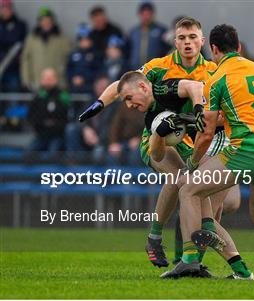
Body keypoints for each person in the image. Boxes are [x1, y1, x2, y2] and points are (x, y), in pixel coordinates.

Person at [78, 17, 240, 269]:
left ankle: (189, 260)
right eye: (182, 38)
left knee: (226, 204)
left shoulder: (213, 71)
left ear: (202, 41)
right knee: (181, 183)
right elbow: (123, 83)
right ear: (175, 41)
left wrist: (207, 121)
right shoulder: (158, 67)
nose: (187, 43)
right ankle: (159, 240)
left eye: (192, 37)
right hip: (159, 138)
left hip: (197, 143)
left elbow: (223, 113)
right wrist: (100, 103)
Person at [163, 23, 254, 281]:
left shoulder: (216, 78)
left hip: (247, 148)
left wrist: (192, 165)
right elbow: (242, 112)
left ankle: (189, 260)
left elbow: (206, 133)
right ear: (238, 47)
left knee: (188, 190)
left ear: (212, 49)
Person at [20, 7, 70, 91]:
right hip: (36, 82)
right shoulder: (31, 39)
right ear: (39, 22)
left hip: (57, 84)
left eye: (48, 20)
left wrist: (63, 80)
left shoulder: (62, 39)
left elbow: (68, 60)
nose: (46, 23)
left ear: (53, 21)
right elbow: (25, 60)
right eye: (43, 20)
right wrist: (26, 80)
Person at [27, 68, 70, 156]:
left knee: (53, 154)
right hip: (41, 135)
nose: (48, 82)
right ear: (41, 80)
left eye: (50, 79)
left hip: (58, 135)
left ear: (56, 80)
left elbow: (66, 117)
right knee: (28, 154)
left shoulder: (63, 96)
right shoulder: (38, 97)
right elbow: (31, 116)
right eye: (45, 79)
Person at [127, 1, 168, 70]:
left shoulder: (161, 31)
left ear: (153, 14)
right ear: (139, 14)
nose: (146, 17)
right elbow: (128, 51)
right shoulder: (133, 32)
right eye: (143, 14)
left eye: (148, 14)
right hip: (135, 71)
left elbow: (167, 52)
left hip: (155, 71)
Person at [0, 0, 27, 92]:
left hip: (13, 67)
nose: (5, 11)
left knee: (13, 97)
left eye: (7, 8)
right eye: (3, 8)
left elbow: (20, 44)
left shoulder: (20, 25)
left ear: (12, 9)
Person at [67, 23, 98, 93]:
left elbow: (97, 71)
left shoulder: (95, 55)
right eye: (82, 40)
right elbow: (68, 69)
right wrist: (73, 78)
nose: (84, 42)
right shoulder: (73, 54)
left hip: (90, 88)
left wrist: (84, 78)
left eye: (86, 39)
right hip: (74, 87)